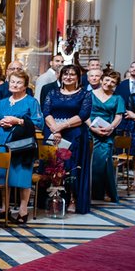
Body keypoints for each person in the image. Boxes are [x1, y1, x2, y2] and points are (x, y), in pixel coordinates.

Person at [0, 71, 43, 224]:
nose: (14, 85)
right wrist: (1, 123)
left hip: (22, 145)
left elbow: (38, 123)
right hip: (2, 143)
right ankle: (4, 208)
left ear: (25, 85)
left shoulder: (31, 102)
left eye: (18, 82)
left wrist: (18, 121)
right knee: (3, 177)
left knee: (22, 176)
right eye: (12, 82)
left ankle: (23, 209)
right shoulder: (2, 102)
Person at [41, 64, 92, 213]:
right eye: (65, 74)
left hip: (74, 133)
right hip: (52, 132)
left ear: (78, 77)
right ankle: (53, 198)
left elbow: (83, 115)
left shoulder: (85, 94)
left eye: (72, 74)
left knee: (71, 167)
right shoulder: (52, 92)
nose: (68, 77)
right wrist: (55, 129)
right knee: (52, 166)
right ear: (60, 76)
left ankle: (72, 199)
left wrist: (61, 127)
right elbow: (46, 111)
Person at [89, 69, 126, 202]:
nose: (109, 83)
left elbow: (119, 116)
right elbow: (84, 114)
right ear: (102, 79)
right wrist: (92, 128)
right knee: (90, 162)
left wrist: (111, 127)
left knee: (103, 162)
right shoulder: (89, 95)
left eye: (113, 82)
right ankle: (90, 191)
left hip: (107, 132)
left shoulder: (117, 98)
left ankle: (101, 192)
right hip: (90, 131)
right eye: (107, 80)